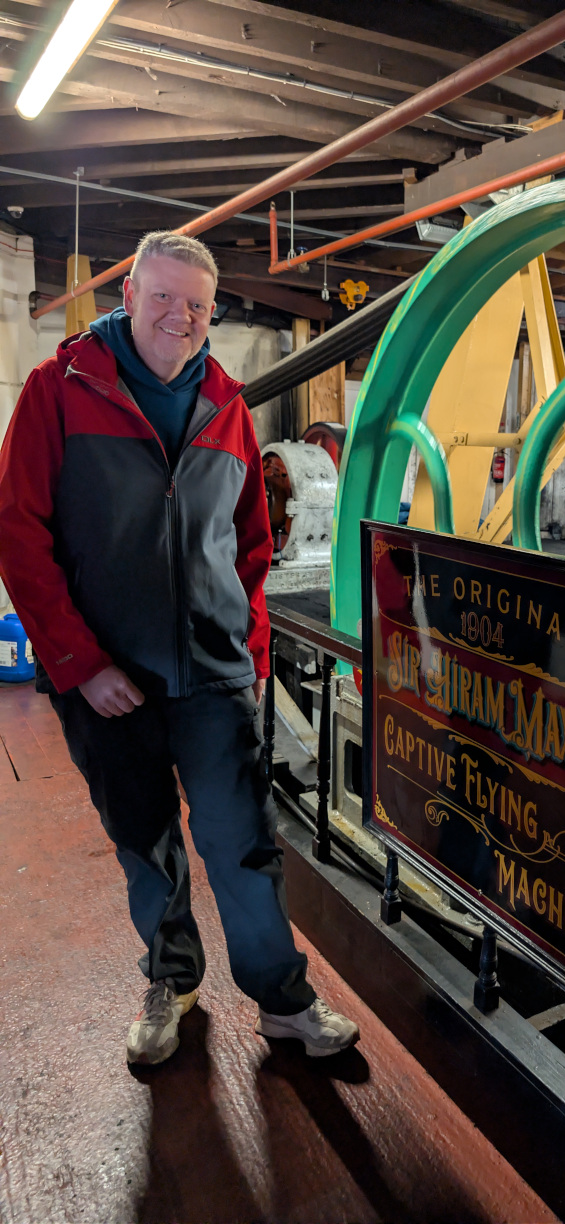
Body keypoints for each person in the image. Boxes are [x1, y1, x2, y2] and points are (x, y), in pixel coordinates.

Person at [0, 232, 358, 1065]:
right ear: (128, 294)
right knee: (145, 839)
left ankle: (282, 1000)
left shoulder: (226, 405)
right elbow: (19, 535)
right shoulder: (60, 390)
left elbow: (252, 545)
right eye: (163, 297)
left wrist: (252, 651)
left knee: (244, 838)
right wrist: (79, 666)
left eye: (196, 305)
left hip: (212, 670)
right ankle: (172, 980)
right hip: (108, 679)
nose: (179, 316)